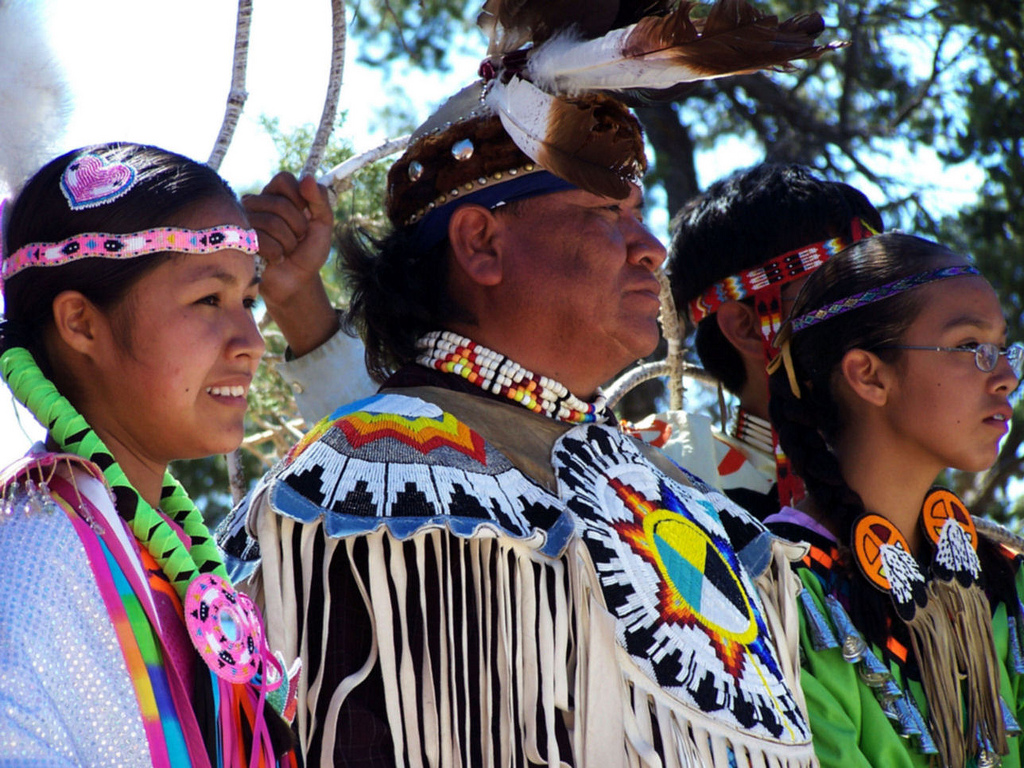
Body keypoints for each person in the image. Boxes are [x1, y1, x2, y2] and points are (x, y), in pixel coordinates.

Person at [228, 2, 847, 765]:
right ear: (482, 243)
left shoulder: (690, 502)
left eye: (642, 214)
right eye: (603, 213)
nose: (652, 248)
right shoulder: (361, 484)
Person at [0, 143, 298, 767]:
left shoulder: (153, 543)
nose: (251, 342)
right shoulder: (33, 563)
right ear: (81, 323)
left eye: (249, 300)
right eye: (208, 300)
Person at [762, 232, 1024, 767]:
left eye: (1005, 348)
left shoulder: (1005, 578)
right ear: (868, 375)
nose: (1006, 378)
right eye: (971, 348)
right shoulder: (779, 595)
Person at [631, 163, 884, 518]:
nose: (883, 313)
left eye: (881, 289)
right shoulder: (662, 470)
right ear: (747, 328)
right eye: (842, 291)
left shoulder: (930, 511)